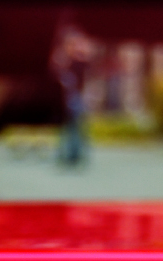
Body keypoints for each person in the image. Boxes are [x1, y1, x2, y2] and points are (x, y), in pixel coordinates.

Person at [52, 28, 94, 166]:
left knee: (75, 127)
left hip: (75, 98)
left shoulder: (79, 61)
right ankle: (68, 155)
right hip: (68, 98)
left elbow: (88, 69)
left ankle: (74, 155)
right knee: (69, 127)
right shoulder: (65, 60)